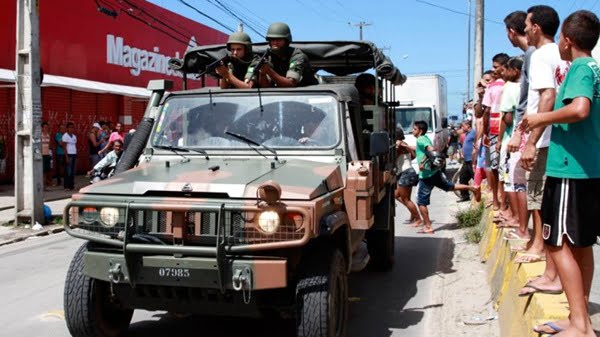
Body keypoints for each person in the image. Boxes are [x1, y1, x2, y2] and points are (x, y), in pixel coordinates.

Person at [520, 10, 600, 336]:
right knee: (580, 245)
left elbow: (580, 109)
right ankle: (580, 318)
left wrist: (541, 119)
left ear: (567, 40)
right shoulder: (594, 67)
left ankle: (579, 325)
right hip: (586, 167)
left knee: (557, 244)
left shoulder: (580, 67)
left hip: (570, 169)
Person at [516, 4, 570, 269]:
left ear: (536, 27)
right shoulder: (563, 53)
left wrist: (530, 142)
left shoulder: (539, 56)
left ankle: (539, 247)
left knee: (538, 196)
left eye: (527, 24)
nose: (525, 28)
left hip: (545, 136)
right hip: (561, 135)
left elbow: (545, 97)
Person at [413, 120, 480, 234]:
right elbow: (430, 152)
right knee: (449, 186)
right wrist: (424, 161)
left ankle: (428, 226)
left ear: (420, 130)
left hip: (426, 175)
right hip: (433, 172)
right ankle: (472, 188)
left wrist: (423, 164)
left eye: (414, 129)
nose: (412, 131)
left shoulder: (420, 139)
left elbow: (431, 150)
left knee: (421, 202)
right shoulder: (425, 138)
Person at [496, 57, 526, 235]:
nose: (502, 73)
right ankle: (517, 219)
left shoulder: (509, 88)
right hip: (525, 139)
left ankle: (515, 218)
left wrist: (499, 140)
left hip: (512, 140)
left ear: (515, 71)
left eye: (506, 69)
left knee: (512, 182)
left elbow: (506, 118)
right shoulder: (525, 87)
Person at [246, 22, 318, 88]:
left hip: (307, 94)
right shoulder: (268, 57)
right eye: (272, 40)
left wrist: (269, 71)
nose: (275, 43)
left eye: (279, 40)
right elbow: (266, 87)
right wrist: (263, 74)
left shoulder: (297, 56)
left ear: (286, 41)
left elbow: (291, 84)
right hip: (281, 95)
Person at [394, 128, 421, 227]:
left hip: (406, 173)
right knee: (397, 195)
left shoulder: (400, 145)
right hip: (406, 172)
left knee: (406, 199)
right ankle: (413, 214)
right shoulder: (403, 144)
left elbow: (394, 157)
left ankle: (418, 218)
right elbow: (413, 155)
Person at [457, 120, 476, 202]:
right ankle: (465, 196)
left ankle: (478, 195)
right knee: (462, 178)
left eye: (463, 126)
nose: (462, 128)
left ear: (468, 125)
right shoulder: (467, 134)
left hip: (472, 160)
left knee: (475, 177)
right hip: (466, 160)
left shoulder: (474, 132)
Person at [62, 122, 77, 190]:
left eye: (72, 127)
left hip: (74, 154)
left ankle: (71, 185)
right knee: (68, 171)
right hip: (68, 154)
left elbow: (74, 145)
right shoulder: (65, 136)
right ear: (67, 128)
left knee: (73, 171)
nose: (71, 129)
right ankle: (66, 186)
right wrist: (66, 157)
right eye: (70, 127)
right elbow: (64, 147)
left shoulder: (74, 136)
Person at [41, 122, 53, 188]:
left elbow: (50, 145)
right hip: (42, 154)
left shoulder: (49, 135)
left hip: (48, 154)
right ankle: (43, 184)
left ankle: (46, 183)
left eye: (47, 127)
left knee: (47, 170)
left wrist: (50, 154)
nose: (46, 128)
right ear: (42, 128)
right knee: (43, 170)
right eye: (45, 127)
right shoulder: (40, 135)